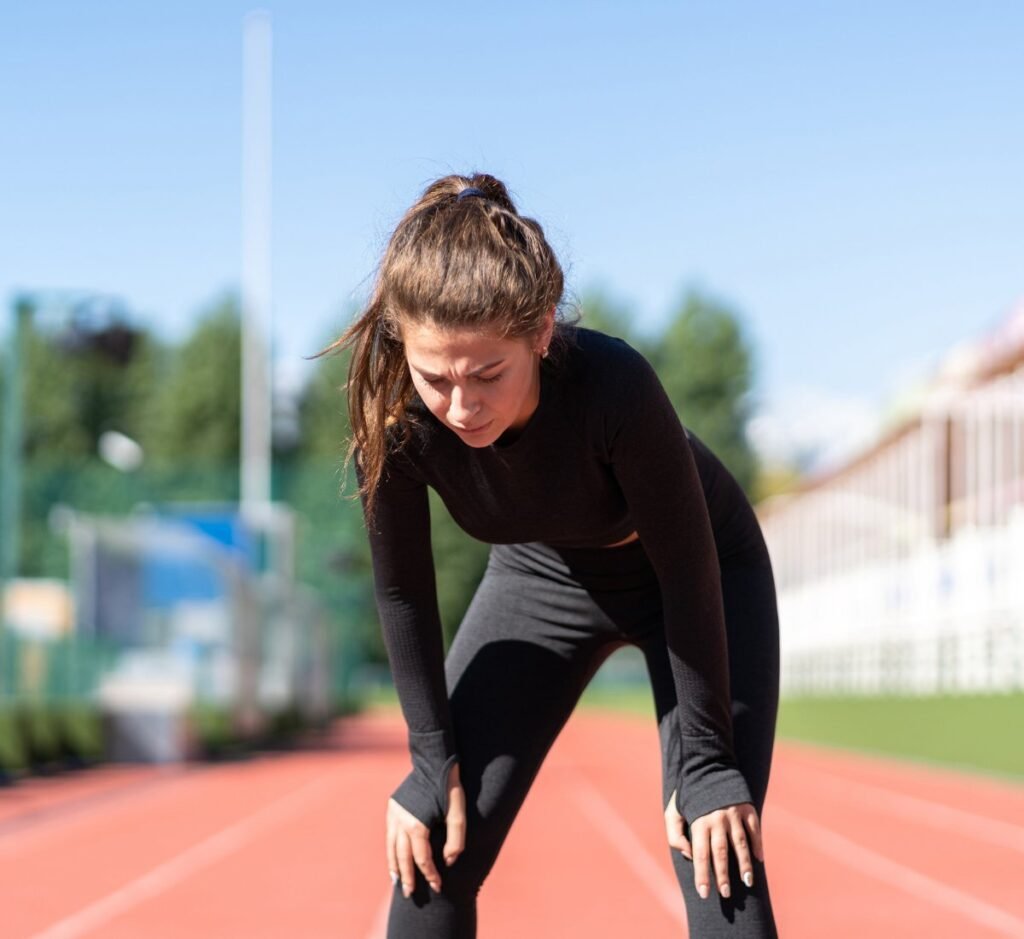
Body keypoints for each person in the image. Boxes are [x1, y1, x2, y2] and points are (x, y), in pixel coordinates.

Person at [327, 173, 781, 938]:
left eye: (488, 374)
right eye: (437, 377)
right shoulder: (396, 414)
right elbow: (403, 592)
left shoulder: (615, 387)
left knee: (716, 851)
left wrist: (704, 762)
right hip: (540, 572)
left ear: (541, 330)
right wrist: (430, 760)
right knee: (433, 848)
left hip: (697, 574)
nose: (463, 406)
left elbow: (689, 567)